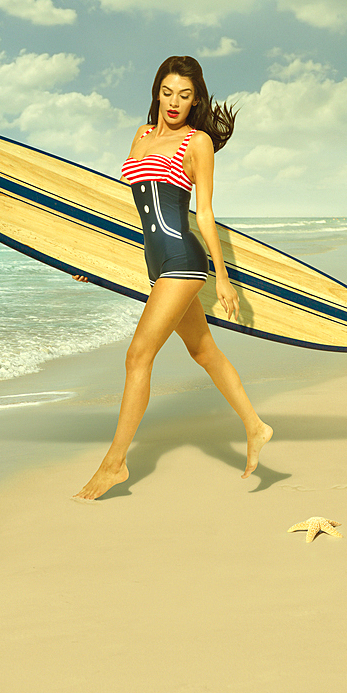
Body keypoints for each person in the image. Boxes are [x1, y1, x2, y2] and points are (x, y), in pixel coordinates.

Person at [72, 56, 272, 501]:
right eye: (166, 92)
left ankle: (115, 463)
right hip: (155, 262)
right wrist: (96, 261)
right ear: (156, 92)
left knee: (137, 356)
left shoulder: (197, 142)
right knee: (203, 351)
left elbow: (206, 213)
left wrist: (221, 277)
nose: (174, 102)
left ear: (196, 98)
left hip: (183, 258)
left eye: (184, 95)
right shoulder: (141, 136)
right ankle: (256, 427)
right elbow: (128, 213)